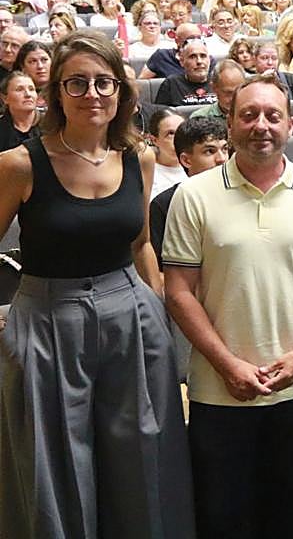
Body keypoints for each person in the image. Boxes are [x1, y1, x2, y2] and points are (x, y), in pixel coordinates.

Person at [0, 30, 194, 539]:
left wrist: (155, 308)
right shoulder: (20, 164)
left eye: (104, 83)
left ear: (122, 92)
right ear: (56, 93)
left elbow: (140, 244)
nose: (93, 94)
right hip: (46, 325)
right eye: (77, 83)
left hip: (131, 319)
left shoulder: (140, 159)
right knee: (57, 465)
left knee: (142, 458)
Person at [163, 74, 293, 539]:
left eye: (272, 115)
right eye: (248, 115)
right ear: (230, 123)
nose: (260, 125)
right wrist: (228, 366)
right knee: (223, 517)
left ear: (290, 124)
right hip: (220, 390)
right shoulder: (193, 195)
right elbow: (179, 291)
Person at [149, 115, 229, 264]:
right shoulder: (164, 204)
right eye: (209, 151)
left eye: (225, 149)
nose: (222, 159)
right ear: (186, 160)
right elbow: (160, 271)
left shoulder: (243, 195)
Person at [155, 40, 217, 108]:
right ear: (182, 62)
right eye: (192, 57)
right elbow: (160, 115)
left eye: (203, 56)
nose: (199, 61)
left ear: (210, 60)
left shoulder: (219, 81)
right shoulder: (171, 84)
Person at [140, 22, 204, 80]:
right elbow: (142, 83)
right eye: (191, 39)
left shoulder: (205, 59)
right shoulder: (162, 56)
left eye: (198, 38)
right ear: (177, 41)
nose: (195, 42)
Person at [147, 107, 187, 197]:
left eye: (182, 130)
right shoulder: (147, 170)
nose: (179, 138)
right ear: (154, 140)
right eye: (171, 134)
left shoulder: (199, 164)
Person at [0, 72, 41, 151]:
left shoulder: (51, 125)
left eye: (31, 89)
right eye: (19, 89)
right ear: (4, 98)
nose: (28, 94)